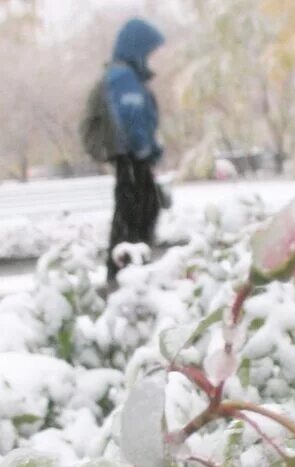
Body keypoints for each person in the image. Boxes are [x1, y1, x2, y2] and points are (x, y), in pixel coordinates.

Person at [104, 18, 165, 286]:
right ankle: (126, 272)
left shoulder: (125, 75)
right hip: (133, 159)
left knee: (137, 211)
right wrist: (145, 149)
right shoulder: (124, 78)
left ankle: (130, 270)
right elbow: (133, 117)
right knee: (136, 213)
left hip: (132, 159)